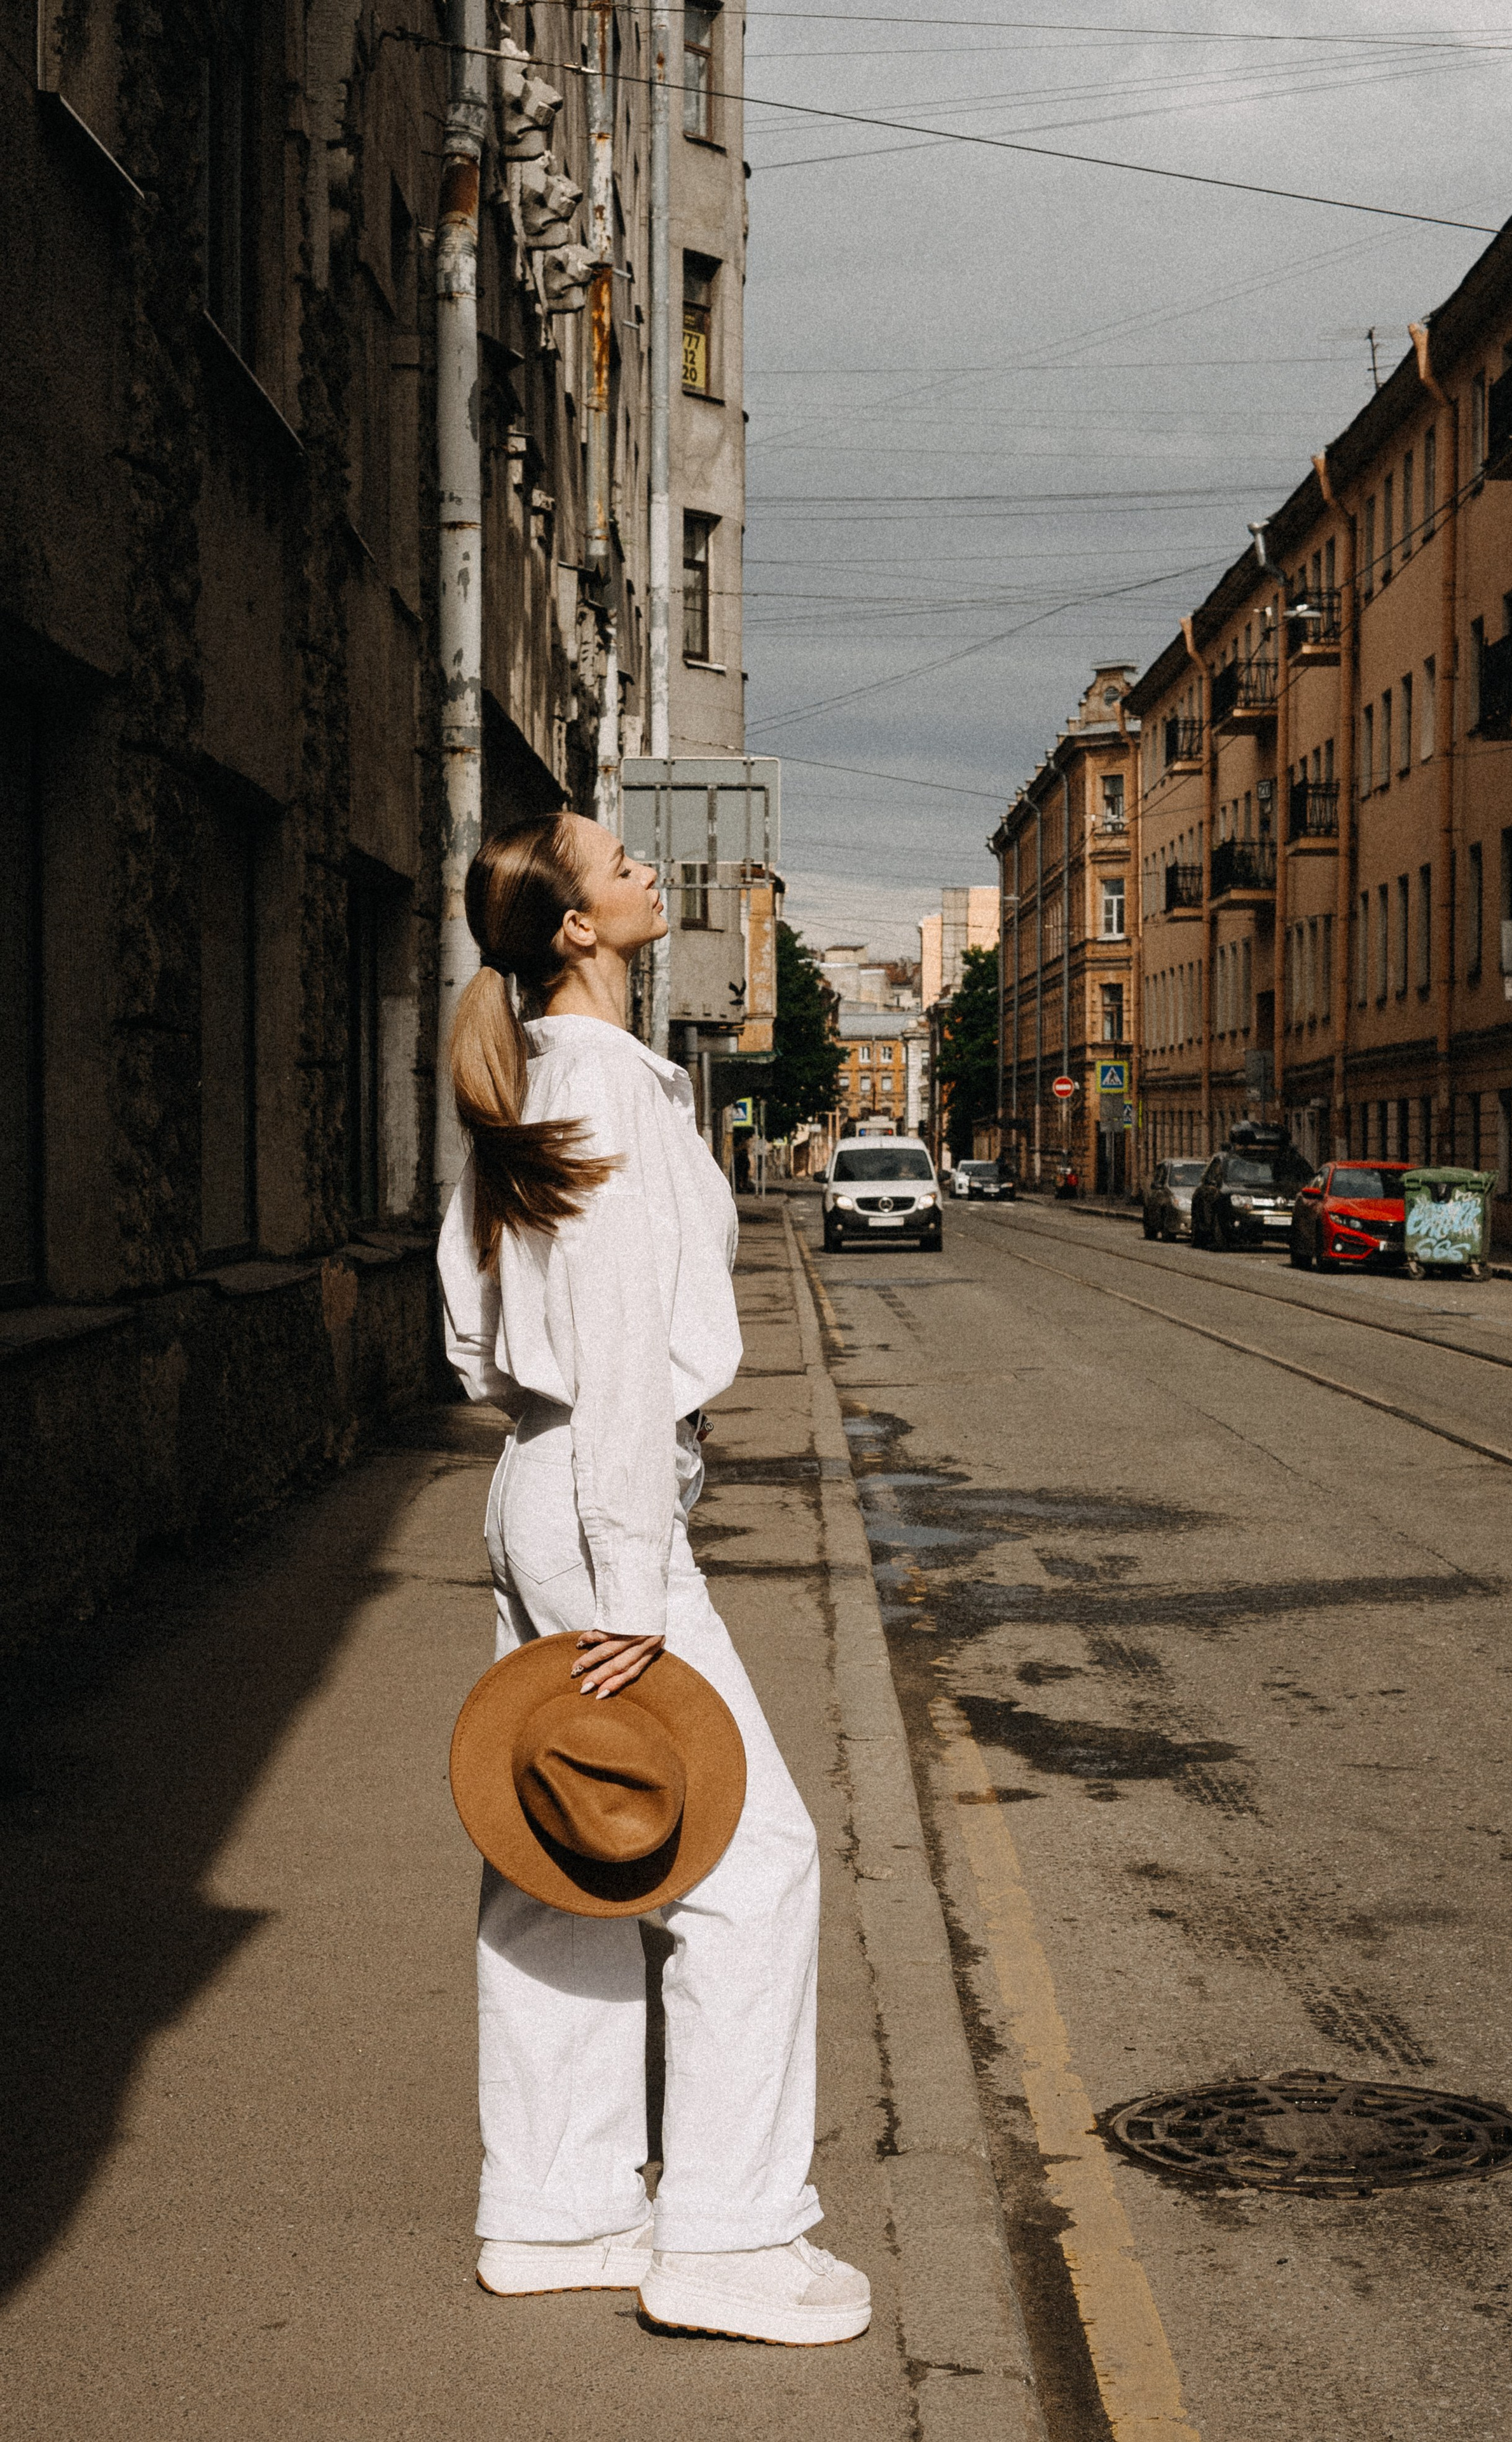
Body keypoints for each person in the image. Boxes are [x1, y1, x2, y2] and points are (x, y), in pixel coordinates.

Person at [437, 815, 870, 2347]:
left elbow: (476, 1341)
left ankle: (557, 2212)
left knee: (561, 1861)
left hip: (538, 1484)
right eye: (616, 863)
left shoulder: (529, 1083)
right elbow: (620, 1354)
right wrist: (631, 1573)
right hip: (604, 1500)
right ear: (572, 930)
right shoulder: (607, 1086)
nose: (642, 875)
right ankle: (731, 2242)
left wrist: (578, 1504)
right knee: (751, 1871)